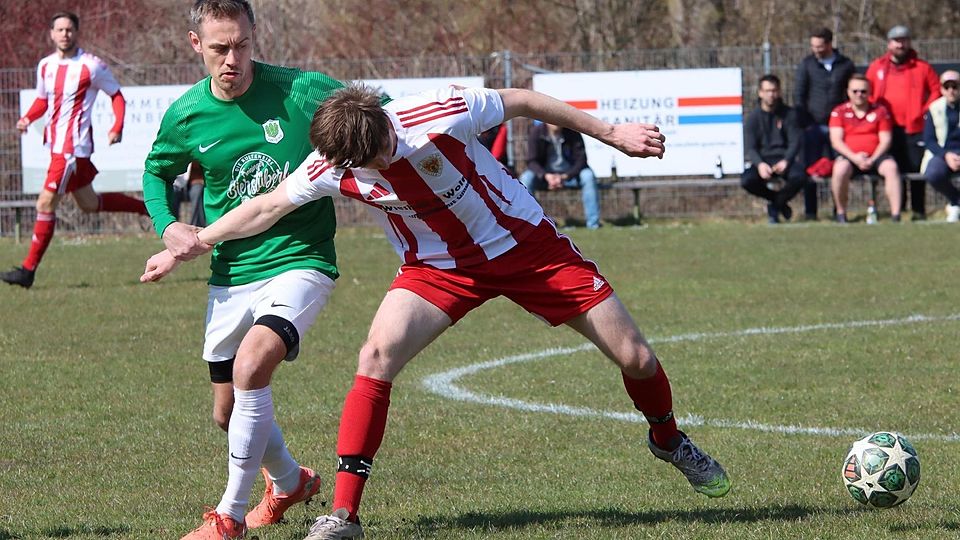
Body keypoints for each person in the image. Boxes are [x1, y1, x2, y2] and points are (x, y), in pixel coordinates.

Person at [142, 83, 732, 540]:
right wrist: (198, 240)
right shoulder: (334, 164)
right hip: (437, 269)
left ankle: (668, 439)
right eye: (360, 169)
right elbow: (266, 207)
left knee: (636, 356)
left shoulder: (438, 113)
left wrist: (611, 133)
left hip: (525, 246)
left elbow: (522, 99)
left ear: (383, 129)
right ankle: (343, 514)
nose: (373, 170)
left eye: (377, 156)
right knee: (375, 355)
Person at [140, 1, 351, 538]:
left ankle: (227, 517)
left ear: (255, 37)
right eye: (219, 48)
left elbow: (374, 111)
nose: (233, 58)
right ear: (196, 46)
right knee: (226, 412)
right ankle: (290, 480)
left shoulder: (300, 90)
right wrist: (168, 226)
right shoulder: (187, 114)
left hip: (301, 259)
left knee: (253, 363)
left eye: (242, 45)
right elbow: (155, 171)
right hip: (231, 271)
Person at [1, 11, 148, 289]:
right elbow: (43, 100)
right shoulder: (45, 66)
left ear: (76, 33)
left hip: (72, 150)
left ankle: (27, 271)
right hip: (56, 147)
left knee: (44, 204)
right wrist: (27, 118)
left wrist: (117, 126)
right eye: (59, 29)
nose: (64, 34)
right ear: (52, 34)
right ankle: (146, 208)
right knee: (89, 204)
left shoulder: (91, 66)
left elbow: (116, 95)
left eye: (69, 29)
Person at [866, 25, 940, 220]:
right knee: (892, 169)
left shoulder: (922, 67)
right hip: (885, 129)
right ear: (889, 44)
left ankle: (918, 210)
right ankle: (897, 208)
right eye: (896, 40)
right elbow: (868, 92)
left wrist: (924, 111)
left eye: (904, 40)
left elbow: (936, 91)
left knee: (915, 168)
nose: (900, 44)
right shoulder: (877, 67)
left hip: (914, 128)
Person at [794, 27, 856, 220]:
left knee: (837, 168)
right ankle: (811, 212)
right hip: (813, 127)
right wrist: (806, 124)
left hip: (839, 128)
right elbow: (799, 96)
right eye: (813, 46)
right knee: (811, 168)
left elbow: (852, 94)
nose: (816, 50)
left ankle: (837, 210)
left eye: (820, 46)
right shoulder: (807, 65)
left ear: (829, 44)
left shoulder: (845, 65)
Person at [828, 74, 902, 223]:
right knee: (839, 170)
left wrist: (872, 158)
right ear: (848, 92)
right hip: (850, 157)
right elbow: (836, 141)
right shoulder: (839, 111)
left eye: (863, 91)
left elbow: (886, 140)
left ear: (869, 92)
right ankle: (841, 213)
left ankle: (896, 215)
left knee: (891, 168)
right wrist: (855, 158)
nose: (859, 95)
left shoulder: (880, 111)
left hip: (876, 156)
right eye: (855, 91)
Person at [740, 74, 805, 224]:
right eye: (767, 91)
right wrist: (760, 164)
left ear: (780, 91)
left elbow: (795, 141)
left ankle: (775, 206)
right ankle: (777, 202)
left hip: (783, 159)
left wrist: (786, 160)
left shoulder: (789, 114)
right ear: (760, 93)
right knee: (747, 181)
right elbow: (750, 147)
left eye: (774, 90)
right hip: (763, 161)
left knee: (800, 176)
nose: (771, 94)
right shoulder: (753, 118)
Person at [520, 121, 602, 229]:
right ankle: (532, 224)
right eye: (551, 118)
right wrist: (546, 176)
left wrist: (565, 176)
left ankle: (593, 224)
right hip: (545, 176)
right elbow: (531, 161)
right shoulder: (536, 133)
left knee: (588, 176)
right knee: (526, 178)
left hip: (570, 176)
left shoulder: (573, 133)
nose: (555, 122)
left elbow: (581, 160)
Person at [921, 70, 960, 222]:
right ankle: (956, 200)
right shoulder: (934, 108)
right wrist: (946, 155)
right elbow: (929, 139)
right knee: (934, 173)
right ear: (942, 89)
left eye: (955, 86)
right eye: (947, 86)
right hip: (943, 153)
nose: (951, 90)